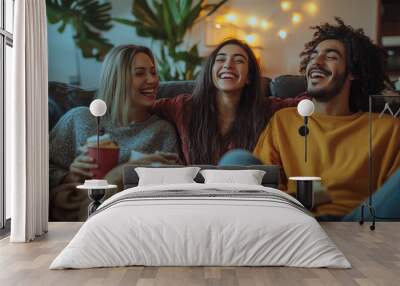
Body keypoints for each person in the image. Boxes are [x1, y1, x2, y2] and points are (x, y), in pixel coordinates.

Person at [251, 18, 400, 220]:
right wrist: (303, 199)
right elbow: (267, 186)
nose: (316, 62)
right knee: (237, 161)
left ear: (353, 72)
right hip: (298, 221)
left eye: (331, 57)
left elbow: (390, 195)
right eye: (313, 56)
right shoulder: (284, 120)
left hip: (358, 224)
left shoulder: (387, 128)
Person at [49, 45, 180, 221]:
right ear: (117, 79)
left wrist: (123, 173)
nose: (152, 80)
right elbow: (38, 172)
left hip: (134, 219)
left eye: (153, 72)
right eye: (140, 73)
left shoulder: (162, 131)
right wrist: (70, 176)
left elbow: (171, 189)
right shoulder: (80, 119)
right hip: (75, 220)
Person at [151, 38, 305, 165]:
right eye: (221, 59)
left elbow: (310, 104)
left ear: (249, 77)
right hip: (195, 196)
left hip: (242, 197)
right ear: (211, 71)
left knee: (238, 160)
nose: (228, 65)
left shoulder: (266, 109)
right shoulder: (183, 107)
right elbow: (142, 105)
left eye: (238, 61)